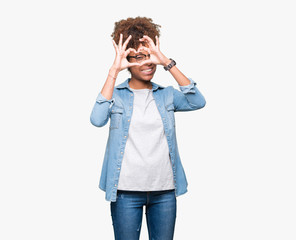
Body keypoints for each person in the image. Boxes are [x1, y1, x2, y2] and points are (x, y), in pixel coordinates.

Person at [90, 16, 206, 240]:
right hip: (125, 191)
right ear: (128, 60)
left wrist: (166, 61)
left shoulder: (167, 95)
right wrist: (113, 70)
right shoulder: (115, 96)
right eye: (139, 57)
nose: (147, 63)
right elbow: (97, 119)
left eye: (150, 56)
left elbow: (197, 101)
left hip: (164, 190)